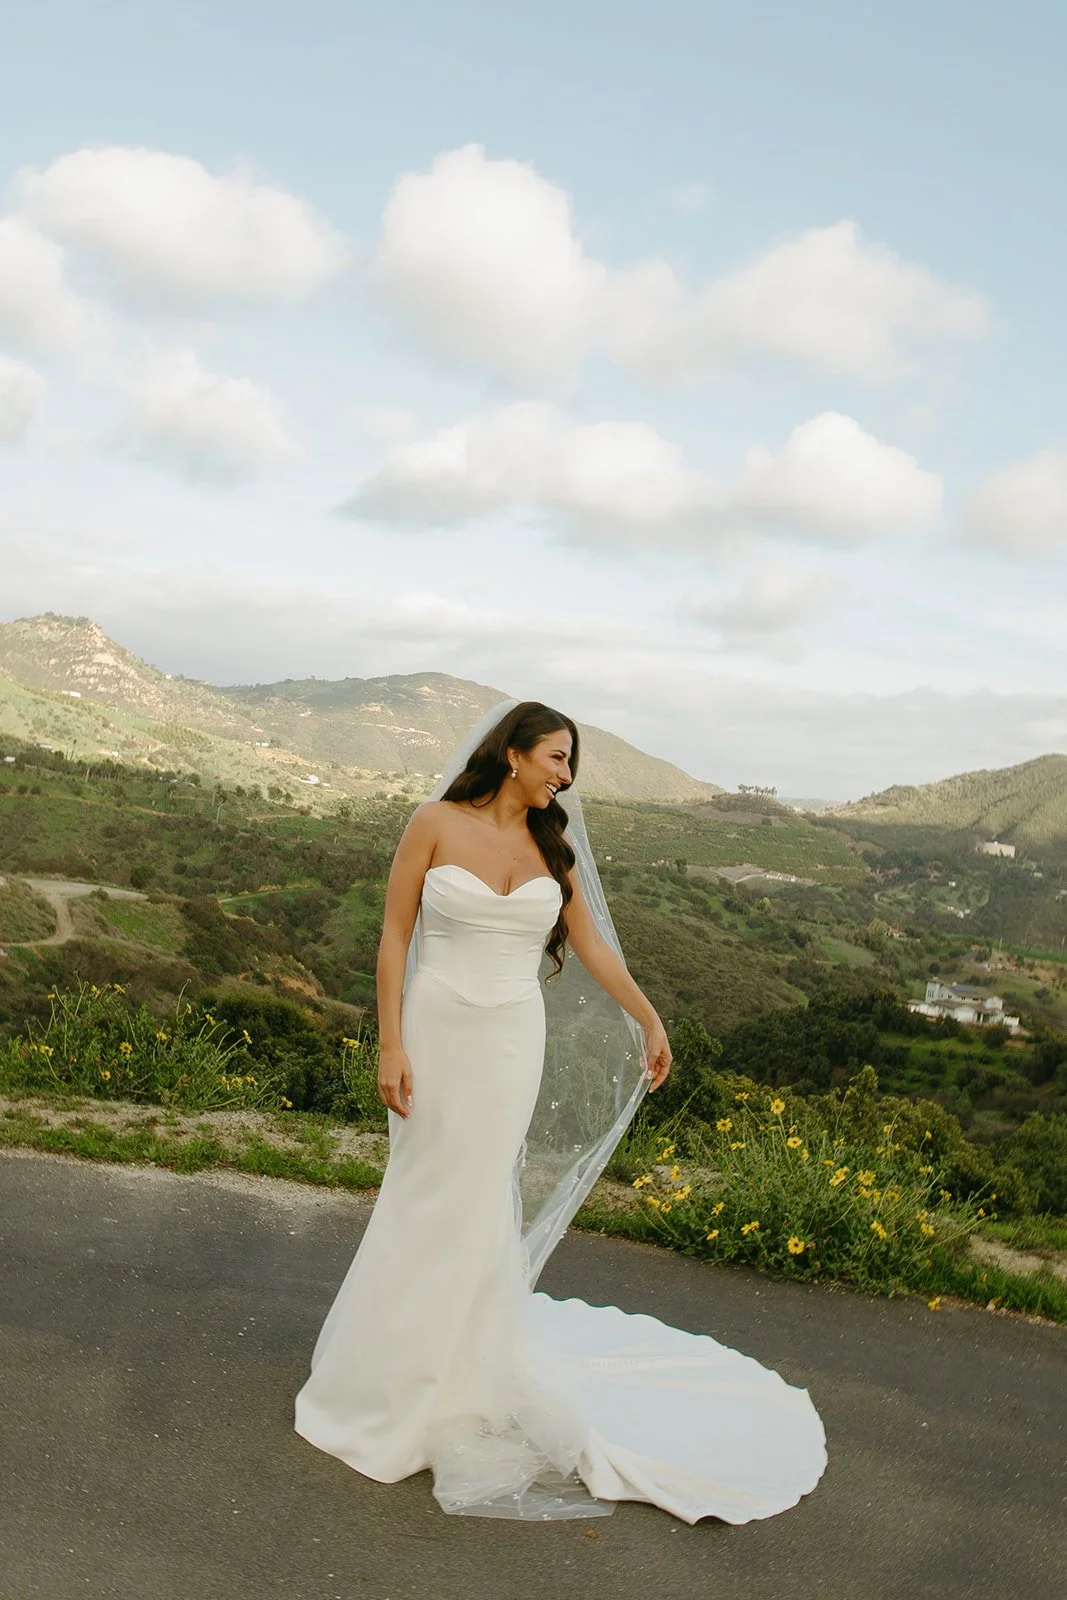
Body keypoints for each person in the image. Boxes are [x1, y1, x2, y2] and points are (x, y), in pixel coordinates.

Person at [294, 700, 827, 1524]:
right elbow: (395, 934)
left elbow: (592, 948)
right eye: (554, 757)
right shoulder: (433, 821)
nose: (564, 775)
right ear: (512, 755)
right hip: (434, 1032)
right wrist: (389, 1045)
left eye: (569, 762)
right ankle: (384, 1377)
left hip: (510, 1042)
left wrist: (649, 1018)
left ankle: (457, 1381)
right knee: (424, 1189)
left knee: (475, 1200)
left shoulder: (555, 848)